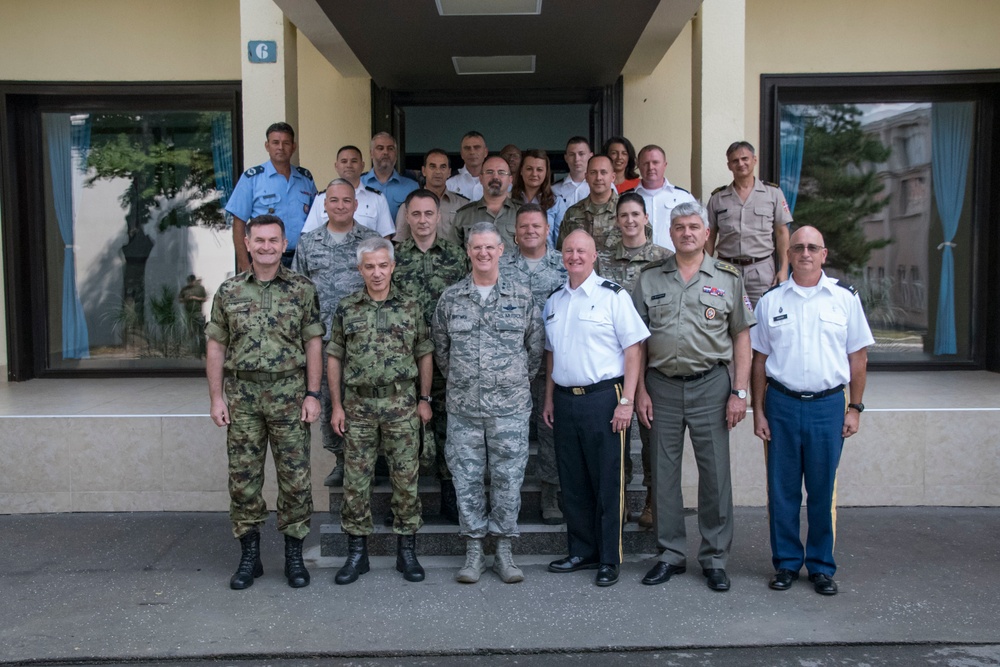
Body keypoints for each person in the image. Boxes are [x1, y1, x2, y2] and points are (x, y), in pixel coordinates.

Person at [632, 201, 755, 592]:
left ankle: (715, 558)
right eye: (680, 227)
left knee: (715, 474)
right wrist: (638, 392)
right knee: (663, 475)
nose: (687, 232)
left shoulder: (728, 278)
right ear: (670, 234)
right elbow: (635, 341)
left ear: (706, 233)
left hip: (712, 386)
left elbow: (742, 336)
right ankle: (670, 554)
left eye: (694, 227)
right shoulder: (649, 278)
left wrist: (740, 392)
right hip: (661, 386)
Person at [750, 226, 873, 596]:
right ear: (788, 253)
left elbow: (859, 357)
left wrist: (855, 408)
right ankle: (786, 563)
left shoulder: (844, 298)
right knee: (782, 490)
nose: (804, 252)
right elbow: (759, 361)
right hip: (782, 404)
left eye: (812, 247)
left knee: (822, 491)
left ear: (824, 254)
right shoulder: (771, 300)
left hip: (828, 407)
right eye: (798, 247)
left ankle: (821, 566)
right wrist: (759, 411)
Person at [205, 214, 324, 590]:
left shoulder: (302, 289)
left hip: (290, 395)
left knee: (295, 479)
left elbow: (313, 343)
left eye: (274, 240)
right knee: (243, 479)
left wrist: (312, 393)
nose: (267, 246)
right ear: (248, 244)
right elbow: (216, 345)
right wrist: (215, 398)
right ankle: (249, 557)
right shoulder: (229, 292)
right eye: (260, 240)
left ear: (284, 243)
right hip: (243, 397)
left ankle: (293, 556)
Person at [431, 222, 544, 584]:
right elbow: (441, 351)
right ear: (468, 251)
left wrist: (507, 383)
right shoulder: (451, 299)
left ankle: (505, 550)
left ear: (501, 251)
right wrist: (468, 382)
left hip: (510, 409)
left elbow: (535, 351)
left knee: (509, 480)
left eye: (489, 248)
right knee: (465, 479)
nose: (483, 254)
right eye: (476, 248)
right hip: (464, 408)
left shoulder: (522, 297)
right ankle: (474, 550)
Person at [542, 229, 649, 587]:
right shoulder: (554, 300)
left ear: (594, 256)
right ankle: (582, 551)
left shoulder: (612, 297)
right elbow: (551, 353)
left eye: (581, 251)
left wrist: (627, 401)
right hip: (566, 399)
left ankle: (608, 557)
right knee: (572, 481)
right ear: (562, 255)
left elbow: (634, 350)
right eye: (569, 250)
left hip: (605, 397)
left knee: (608, 481)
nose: (574, 256)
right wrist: (548, 398)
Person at [326, 237, 434, 585]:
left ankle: (407, 552)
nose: (377, 273)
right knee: (356, 483)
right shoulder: (347, 307)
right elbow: (334, 356)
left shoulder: (411, 305)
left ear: (392, 267)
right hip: (357, 407)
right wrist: (337, 405)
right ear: (360, 269)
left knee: (406, 479)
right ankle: (357, 554)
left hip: (401, 404)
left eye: (382, 265)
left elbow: (424, 352)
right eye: (369, 266)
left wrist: (425, 399)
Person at [291, 179, 381, 487]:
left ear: (356, 205)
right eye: (334, 200)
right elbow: (298, 292)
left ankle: (371, 461)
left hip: (364, 341)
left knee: (366, 402)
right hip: (324, 342)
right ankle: (342, 460)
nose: (340, 205)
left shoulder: (371, 241)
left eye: (346, 200)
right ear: (324, 205)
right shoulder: (309, 243)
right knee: (331, 402)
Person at [392, 189, 470, 523]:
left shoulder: (457, 256)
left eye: (428, 214)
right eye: (416, 214)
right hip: (403, 359)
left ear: (439, 217)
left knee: (448, 428)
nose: (422, 221)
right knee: (402, 430)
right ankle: (403, 503)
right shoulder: (393, 258)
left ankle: (450, 497)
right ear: (407, 218)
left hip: (446, 357)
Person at [597, 193, 673, 528]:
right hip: (612, 359)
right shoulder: (602, 261)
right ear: (616, 220)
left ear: (646, 219)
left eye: (635, 215)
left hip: (654, 358)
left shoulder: (664, 259)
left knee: (652, 438)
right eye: (623, 215)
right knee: (617, 438)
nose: (629, 220)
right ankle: (622, 502)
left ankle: (654, 504)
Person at [499, 204, 567, 524]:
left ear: (546, 229)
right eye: (524, 226)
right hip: (510, 365)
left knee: (550, 431)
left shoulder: (563, 265)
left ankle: (550, 495)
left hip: (551, 366)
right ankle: (502, 497)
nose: (530, 231)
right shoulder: (500, 265)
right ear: (515, 230)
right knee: (506, 435)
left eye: (536, 226)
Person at [706, 140, 793, 306]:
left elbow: (782, 233)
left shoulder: (773, 193)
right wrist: (705, 269)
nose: (741, 163)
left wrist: (783, 269)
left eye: (745, 158)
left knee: (761, 320)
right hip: (725, 269)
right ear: (729, 165)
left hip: (760, 271)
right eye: (735, 161)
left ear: (754, 160)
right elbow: (709, 237)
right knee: (724, 320)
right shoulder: (718, 198)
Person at [225, 122, 317, 272]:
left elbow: (317, 218)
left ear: (293, 147)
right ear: (267, 146)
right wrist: (244, 263)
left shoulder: (305, 178)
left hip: (301, 259)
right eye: (275, 142)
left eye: (286, 143)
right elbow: (239, 223)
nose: (280, 147)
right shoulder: (252, 178)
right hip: (265, 257)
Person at [301, 145, 394, 238]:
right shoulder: (322, 198)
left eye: (354, 161)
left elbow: (385, 238)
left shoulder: (377, 198)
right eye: (344, 161)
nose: (349, 165)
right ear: (336, 166)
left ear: (362, 165)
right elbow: (309, 235)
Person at [393, 148, 469, 244]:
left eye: (443, 167)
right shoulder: (408, 205)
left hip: (454, 257)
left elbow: (470, 242)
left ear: (449, 172)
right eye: (432, 166)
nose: (438, 171)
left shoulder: (462, 205)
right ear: (424, 171)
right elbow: (400, 243)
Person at [634, 145, 697, 251]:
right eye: (646, 163)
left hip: (674, 262)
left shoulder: (683, 197)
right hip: (637, 262)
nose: (651, 167)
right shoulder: (627, 198)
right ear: (638, 166)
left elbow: (697, 231)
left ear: (665, 165)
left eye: (655, 162)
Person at [453, 155, 521, 248]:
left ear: (510, 180)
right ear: (481, 178)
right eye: (489, 172)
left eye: (501, 172)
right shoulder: (463, 215)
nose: (495, 177)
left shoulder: (522, 213)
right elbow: (452, 255)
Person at [555, 155, 618, 250]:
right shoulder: (572, 213)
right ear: (586, 177)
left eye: (603, 172)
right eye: (593, 172)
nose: (598, 177)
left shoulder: (628, 211)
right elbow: (562, 252)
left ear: (613, 177)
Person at [510, 149, 567, 243]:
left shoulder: (556, 202)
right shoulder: (508, 199)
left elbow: (561, 242)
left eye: (539, 169)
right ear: (521, 171)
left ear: (546, 173)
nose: (534, 174)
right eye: (529, 169)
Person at [360, 132, 418, 219]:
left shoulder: (411, 187)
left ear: (396, 154)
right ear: (371, 153)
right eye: (380, 148)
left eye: (390, 148)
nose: (385, 152)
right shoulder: (359, 183)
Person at [552, 136, 593, 209]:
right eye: (572, 154)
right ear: (566, 158)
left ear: (590, 156)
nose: (577, 159)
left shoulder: (604, 186)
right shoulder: (555, 190)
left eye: (581, 154)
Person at [446, 130, 488, 200]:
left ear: (485, 152)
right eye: (467, 148)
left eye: (477, 147)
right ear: (461, 154)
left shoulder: (495, 180)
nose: (472, 152)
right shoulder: (449, 183)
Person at [178, 274, 207, 357]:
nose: (190, 283)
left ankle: (203, 352)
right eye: (189, 282)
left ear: (194, 281)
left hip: (198, 313)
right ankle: (194, 351)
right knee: (192, 333)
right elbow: (180, 299)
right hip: (189, 314)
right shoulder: (185, 289)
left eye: (192, 282)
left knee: (201, 333)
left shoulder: (200, 288)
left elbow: (204, 299)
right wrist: (186, 299)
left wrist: (195, 298)